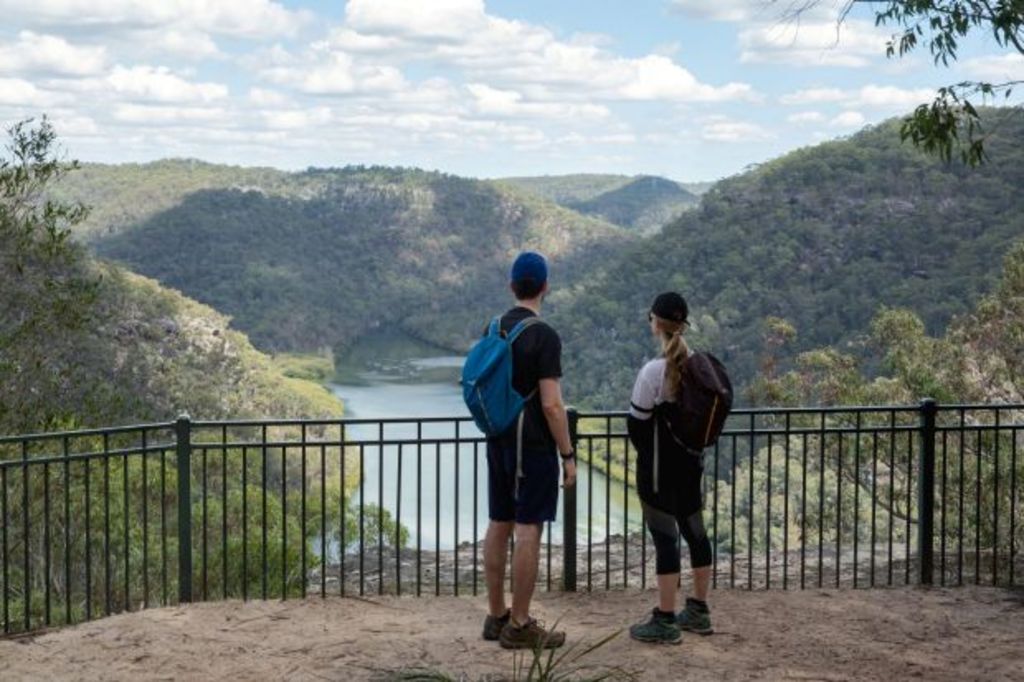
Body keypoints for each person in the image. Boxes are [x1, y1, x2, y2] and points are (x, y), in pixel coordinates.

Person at [480, 251, 577, 650]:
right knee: (527, 530)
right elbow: (552, 405)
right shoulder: (544, 335)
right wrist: (567, 455)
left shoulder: (492, 328)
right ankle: (520, 625)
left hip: (498, 437)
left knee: (498, 523)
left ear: (511, 286)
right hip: (532, 446)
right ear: (545, 287)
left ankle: (496, 614)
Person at [627, 292, 713, 645]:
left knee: (665, 540)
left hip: (659, 472)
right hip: (691, 468)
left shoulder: (652, 372)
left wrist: (649, 457)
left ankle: (664, 619)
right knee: (696, 534)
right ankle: (698, 611)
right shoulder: (699, 367)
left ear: (655, 323)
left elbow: (637, 426)